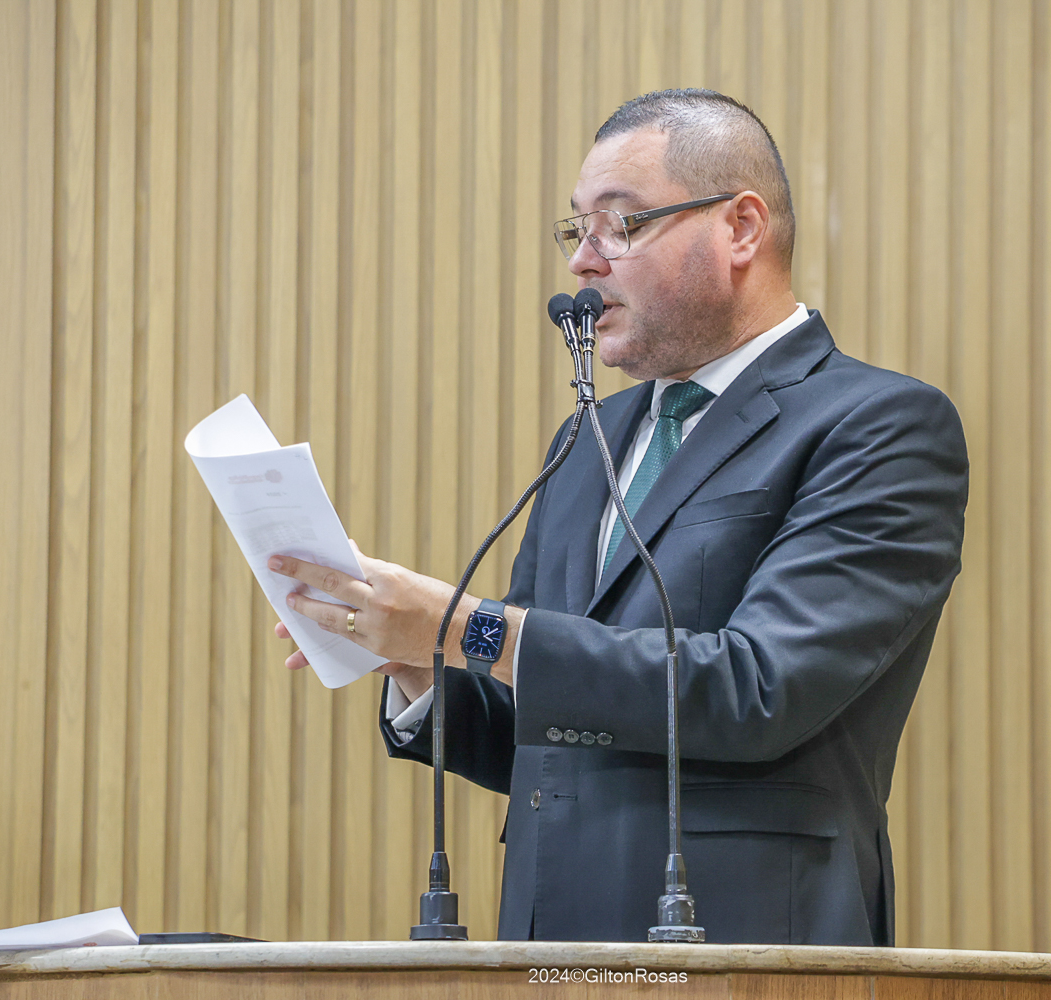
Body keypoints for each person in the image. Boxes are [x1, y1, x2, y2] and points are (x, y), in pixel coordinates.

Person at [269, 89, 967, 945]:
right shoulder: (588, 438)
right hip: (548, 942)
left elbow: (757, 690)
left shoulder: (879, 424)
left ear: (741, 228)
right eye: (576, 229)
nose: (582, 262)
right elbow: (537, 731)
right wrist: (417, 659)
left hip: (745, 938)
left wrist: (468, 628)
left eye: (620, 224)